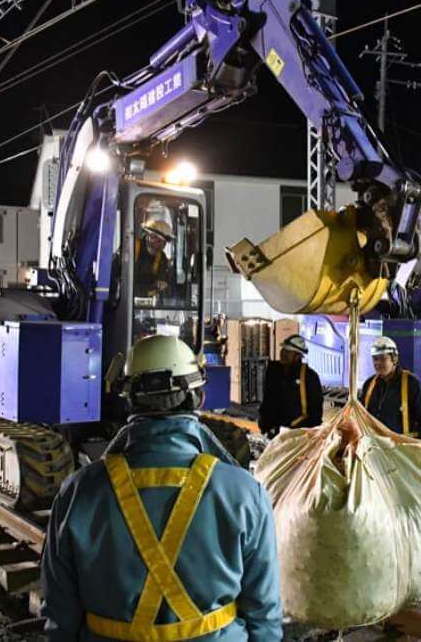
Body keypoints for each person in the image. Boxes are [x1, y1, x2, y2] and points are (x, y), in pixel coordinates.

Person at [41, 335, 282, 641]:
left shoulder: (78, 492)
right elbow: (264, 615)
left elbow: (60, 616)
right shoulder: (244, 493)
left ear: (129, 399)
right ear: (199, 398)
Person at [357, 336, 421, 440]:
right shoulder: (369, 385)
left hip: (401, 450)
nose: (378, 363)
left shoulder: (411, 384)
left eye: (383, 359)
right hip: (375, 448)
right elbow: (359, 416)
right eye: (375, 359)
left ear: (394, 359)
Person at [259, 334, 324, 437]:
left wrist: (312, 434)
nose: (283, 353)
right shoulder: (273, 372)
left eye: (288, 351)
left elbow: (315, 411)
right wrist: (265, 426)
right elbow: (267, 401)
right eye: (283, 349)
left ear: (298, 355)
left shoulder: (309, 377)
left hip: (298, 433)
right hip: (274, 432)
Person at [135, 219, 174, 297]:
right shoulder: (132, 248)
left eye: (164, 242)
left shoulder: (162, 258)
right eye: (158, 240)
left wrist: (161, 285)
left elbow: (162, 282)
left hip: (146, 302)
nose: (162, 245)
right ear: (148, 235)